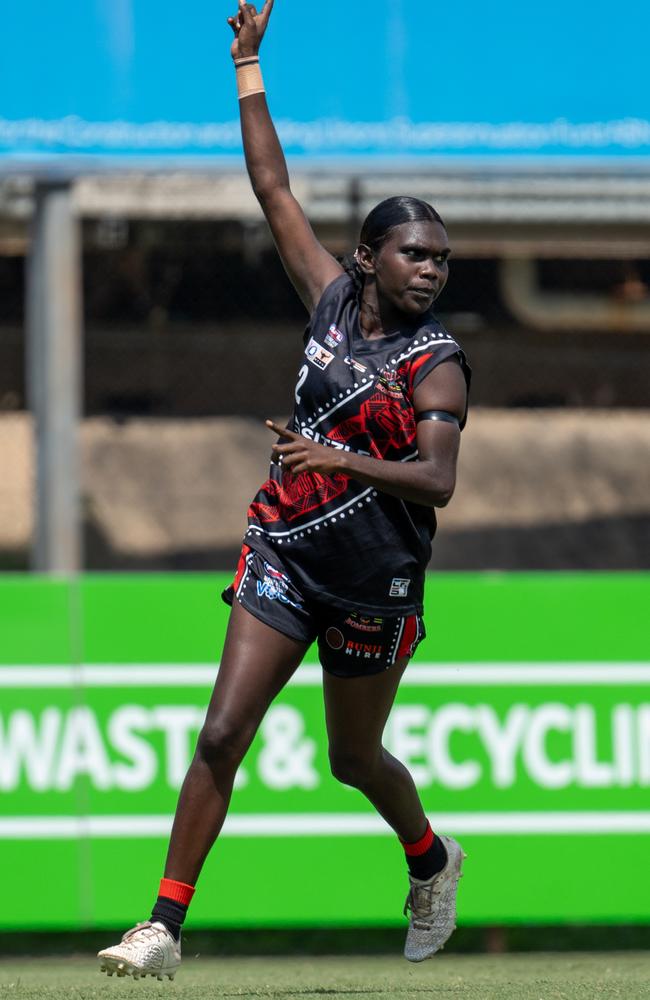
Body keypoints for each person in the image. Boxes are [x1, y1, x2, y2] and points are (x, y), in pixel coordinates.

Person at [98, 0, 471, 980]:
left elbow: (434, 482)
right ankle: (163, 925)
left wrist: (342, 461)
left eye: (440, 258)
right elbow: (271, 187)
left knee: (352, 758)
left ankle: (429, 859)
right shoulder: (329, 298)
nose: (430, 269)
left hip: (377, 582)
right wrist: (247, 66)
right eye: (414, 253)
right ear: (368, 257)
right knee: (223, 729)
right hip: (286, 551)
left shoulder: (436, 363)